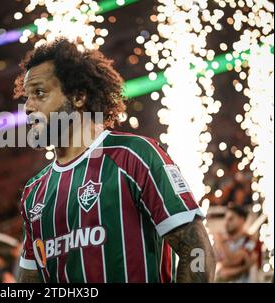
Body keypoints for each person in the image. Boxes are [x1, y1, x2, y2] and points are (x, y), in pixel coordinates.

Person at [13, 38, 216, 283]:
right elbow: (30, 279)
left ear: (78, 97)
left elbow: (195, 249)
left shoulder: (134, 155)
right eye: (27, 97)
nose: (27, 107)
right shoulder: (34, 192)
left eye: (39, 93)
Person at [215, 205, 260, 282]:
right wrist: (245, 267)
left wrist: (221, 243)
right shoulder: (225, 241)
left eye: (231, 219)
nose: (226, 223)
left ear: (242, 220)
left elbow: (233, 261)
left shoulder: (252, 240)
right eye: (225, 219)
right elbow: (222, 272)